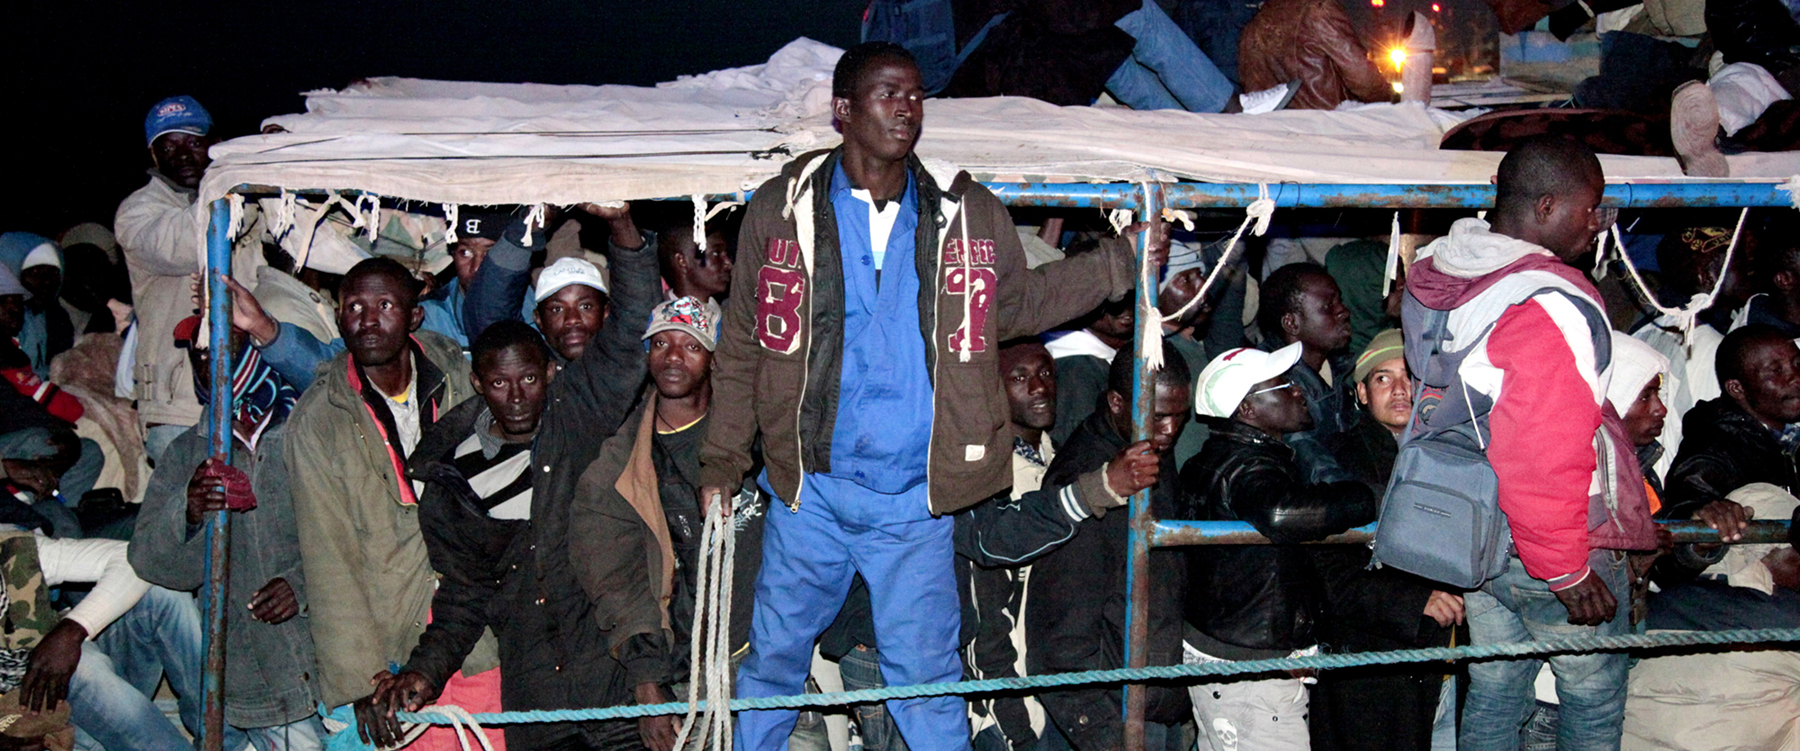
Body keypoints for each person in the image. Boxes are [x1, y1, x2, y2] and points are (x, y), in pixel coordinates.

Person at [699, 42, 1163, 751]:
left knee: (927, 680)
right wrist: (721, 463)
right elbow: (740, 346)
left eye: (916, 95)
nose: (906, 109)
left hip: (915, 498)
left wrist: (1118, 263)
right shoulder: (782, 209)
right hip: (810, 492)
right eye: (888, 94)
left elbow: (1020, 303)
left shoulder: (963, 209)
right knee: (772, 663)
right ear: (843, 110)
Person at [355, 206, 661, 751]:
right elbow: (466, 594)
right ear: (477, 381)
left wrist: (622, 228)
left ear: (549, 373)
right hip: (534, 691)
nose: (515, 396)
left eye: (527, 378)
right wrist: (425, 673)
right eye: (499, 382)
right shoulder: (453, 473)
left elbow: (635, 319)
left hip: (616, 674)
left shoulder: (580, 414)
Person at [1403, 137, 1657, 751]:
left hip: (1473, 527)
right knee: (1591, 703)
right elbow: (1540, 451)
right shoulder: (1551, 301)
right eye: (1590, 207)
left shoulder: (1441, 274)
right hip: (1551, 542)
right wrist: (1565, 570)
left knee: (1492, 691)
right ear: (1546, 206)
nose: (1598, 224)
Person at [279, 257, 505, 750]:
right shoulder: (320, 420)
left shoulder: (461, 380)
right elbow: (327, 556)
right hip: (390, 637)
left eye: (385, 305)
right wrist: (362, 679)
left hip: (475, 625)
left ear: (414, 316)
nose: (367, 319)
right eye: (354, 306)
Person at [564, 298, 767, 750]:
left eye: (691, 345)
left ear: (716, 359)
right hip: (691, 674)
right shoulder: (619, 470)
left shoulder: (755, 436)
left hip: (774, 657)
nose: (673, 356)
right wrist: (647, 686)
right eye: (661, 343)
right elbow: (616, 583)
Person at [128, 308, 321, 749]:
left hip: (333, 644)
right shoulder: (187, 453)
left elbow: (360, 531)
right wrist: (189, 511)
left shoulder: (308, 429)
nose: (209, 361)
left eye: (224, 346)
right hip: (260, 665)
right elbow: (152, 564)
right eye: (199, 354)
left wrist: (302, 584)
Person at [1179, 342, 1379, 751]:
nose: (1298, 390)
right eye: (1283, 385)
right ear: (1247, 410)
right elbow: (1281, 513)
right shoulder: (1246, 464)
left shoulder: (1219, 456)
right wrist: (1364, 499)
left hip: (1236, 657)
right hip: (1249, 668)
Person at [1027, 344, 1190, 751]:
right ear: (1117, 402)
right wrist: (1105, 736)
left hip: (1150, 699)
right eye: (1159, 416)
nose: (1170, 431)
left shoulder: (1145, 446)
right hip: (1115, 716)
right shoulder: (1091, 478)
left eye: (1180, 417)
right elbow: (1061, 638)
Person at [1308, 329, 1465, 751]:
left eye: (1410, 377)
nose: (1400, 390)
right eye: (1383, 378)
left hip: (1445, 663)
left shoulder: (1453, 449)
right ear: (1360, 392)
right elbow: (1332, 575)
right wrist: (1415, 602)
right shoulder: (1339, 460)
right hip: (1374, 667)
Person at [116, 96, 261, 465]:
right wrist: (247, 174)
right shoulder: (136, 213)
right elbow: (192, 239)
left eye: (194, 142)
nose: (182, 154)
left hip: (256, 394)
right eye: (169, 145)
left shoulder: (250, 196)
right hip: (178, 409)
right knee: (191, 515)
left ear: (215, 144)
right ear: (153, 154)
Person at [1257, 262, 1358, 482]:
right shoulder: (1271, 385)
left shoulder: (1339, 369)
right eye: (1328, 306)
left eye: (1340, 301)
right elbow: (1311, 462)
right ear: (1292, 323)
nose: (1343, 311)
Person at [1237, 0, 1390, 110]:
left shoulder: (1253, 25)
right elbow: (1363, 77)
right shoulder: (1319, 10)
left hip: (1280, 133)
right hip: (1329, 123)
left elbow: (1254, 91)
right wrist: (1391, 99)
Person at [1047, 294, 1135, 445]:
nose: (1125, 309)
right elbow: (1076, 444)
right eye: (1111, 299)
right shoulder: (1076, 368)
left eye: (1129, 296)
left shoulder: (1109, 354)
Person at [0, 234, 73, 379]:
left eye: (53, 272)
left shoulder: (57, 320)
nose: (46, 281)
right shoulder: (8, 321)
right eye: (34, 272)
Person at [657, 217, 735, 316]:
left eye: (727, 254)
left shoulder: (732, 319)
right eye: (716, 254)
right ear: (682, 261)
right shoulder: (653, 319)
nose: (728, 264)